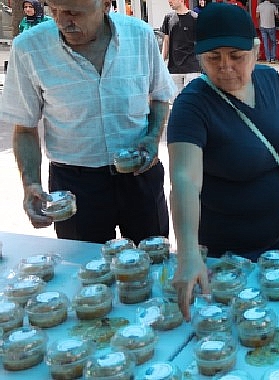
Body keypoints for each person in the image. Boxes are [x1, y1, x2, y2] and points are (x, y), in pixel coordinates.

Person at [166, 2, 279, 320]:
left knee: (277, 324)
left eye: (236, 57)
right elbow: (184, 180)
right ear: (200, 57)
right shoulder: (192, 106)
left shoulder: (269, 81)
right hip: (225, 256)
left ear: (254, 51)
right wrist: (187, 254)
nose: (225, 67)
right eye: (213, 58)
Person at [0, 0, 175, 245]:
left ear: (105, 5)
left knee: (152, 261)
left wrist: (152, 137)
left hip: (139, 175)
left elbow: (160, 97)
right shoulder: (29, 47)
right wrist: (30, 183)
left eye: (74, 13)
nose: (62, 21)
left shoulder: (140, 35)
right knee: (83, 268)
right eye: (54, 10)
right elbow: (25, 126)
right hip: (74, 184)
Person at [161, 0, 201, 97]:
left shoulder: (195, 18)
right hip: (173, 68)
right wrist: (161, 63)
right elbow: (166, 42)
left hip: (192, 68)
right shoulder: (168, 18)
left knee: (191, 102)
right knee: (176, 103)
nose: (169, 1)